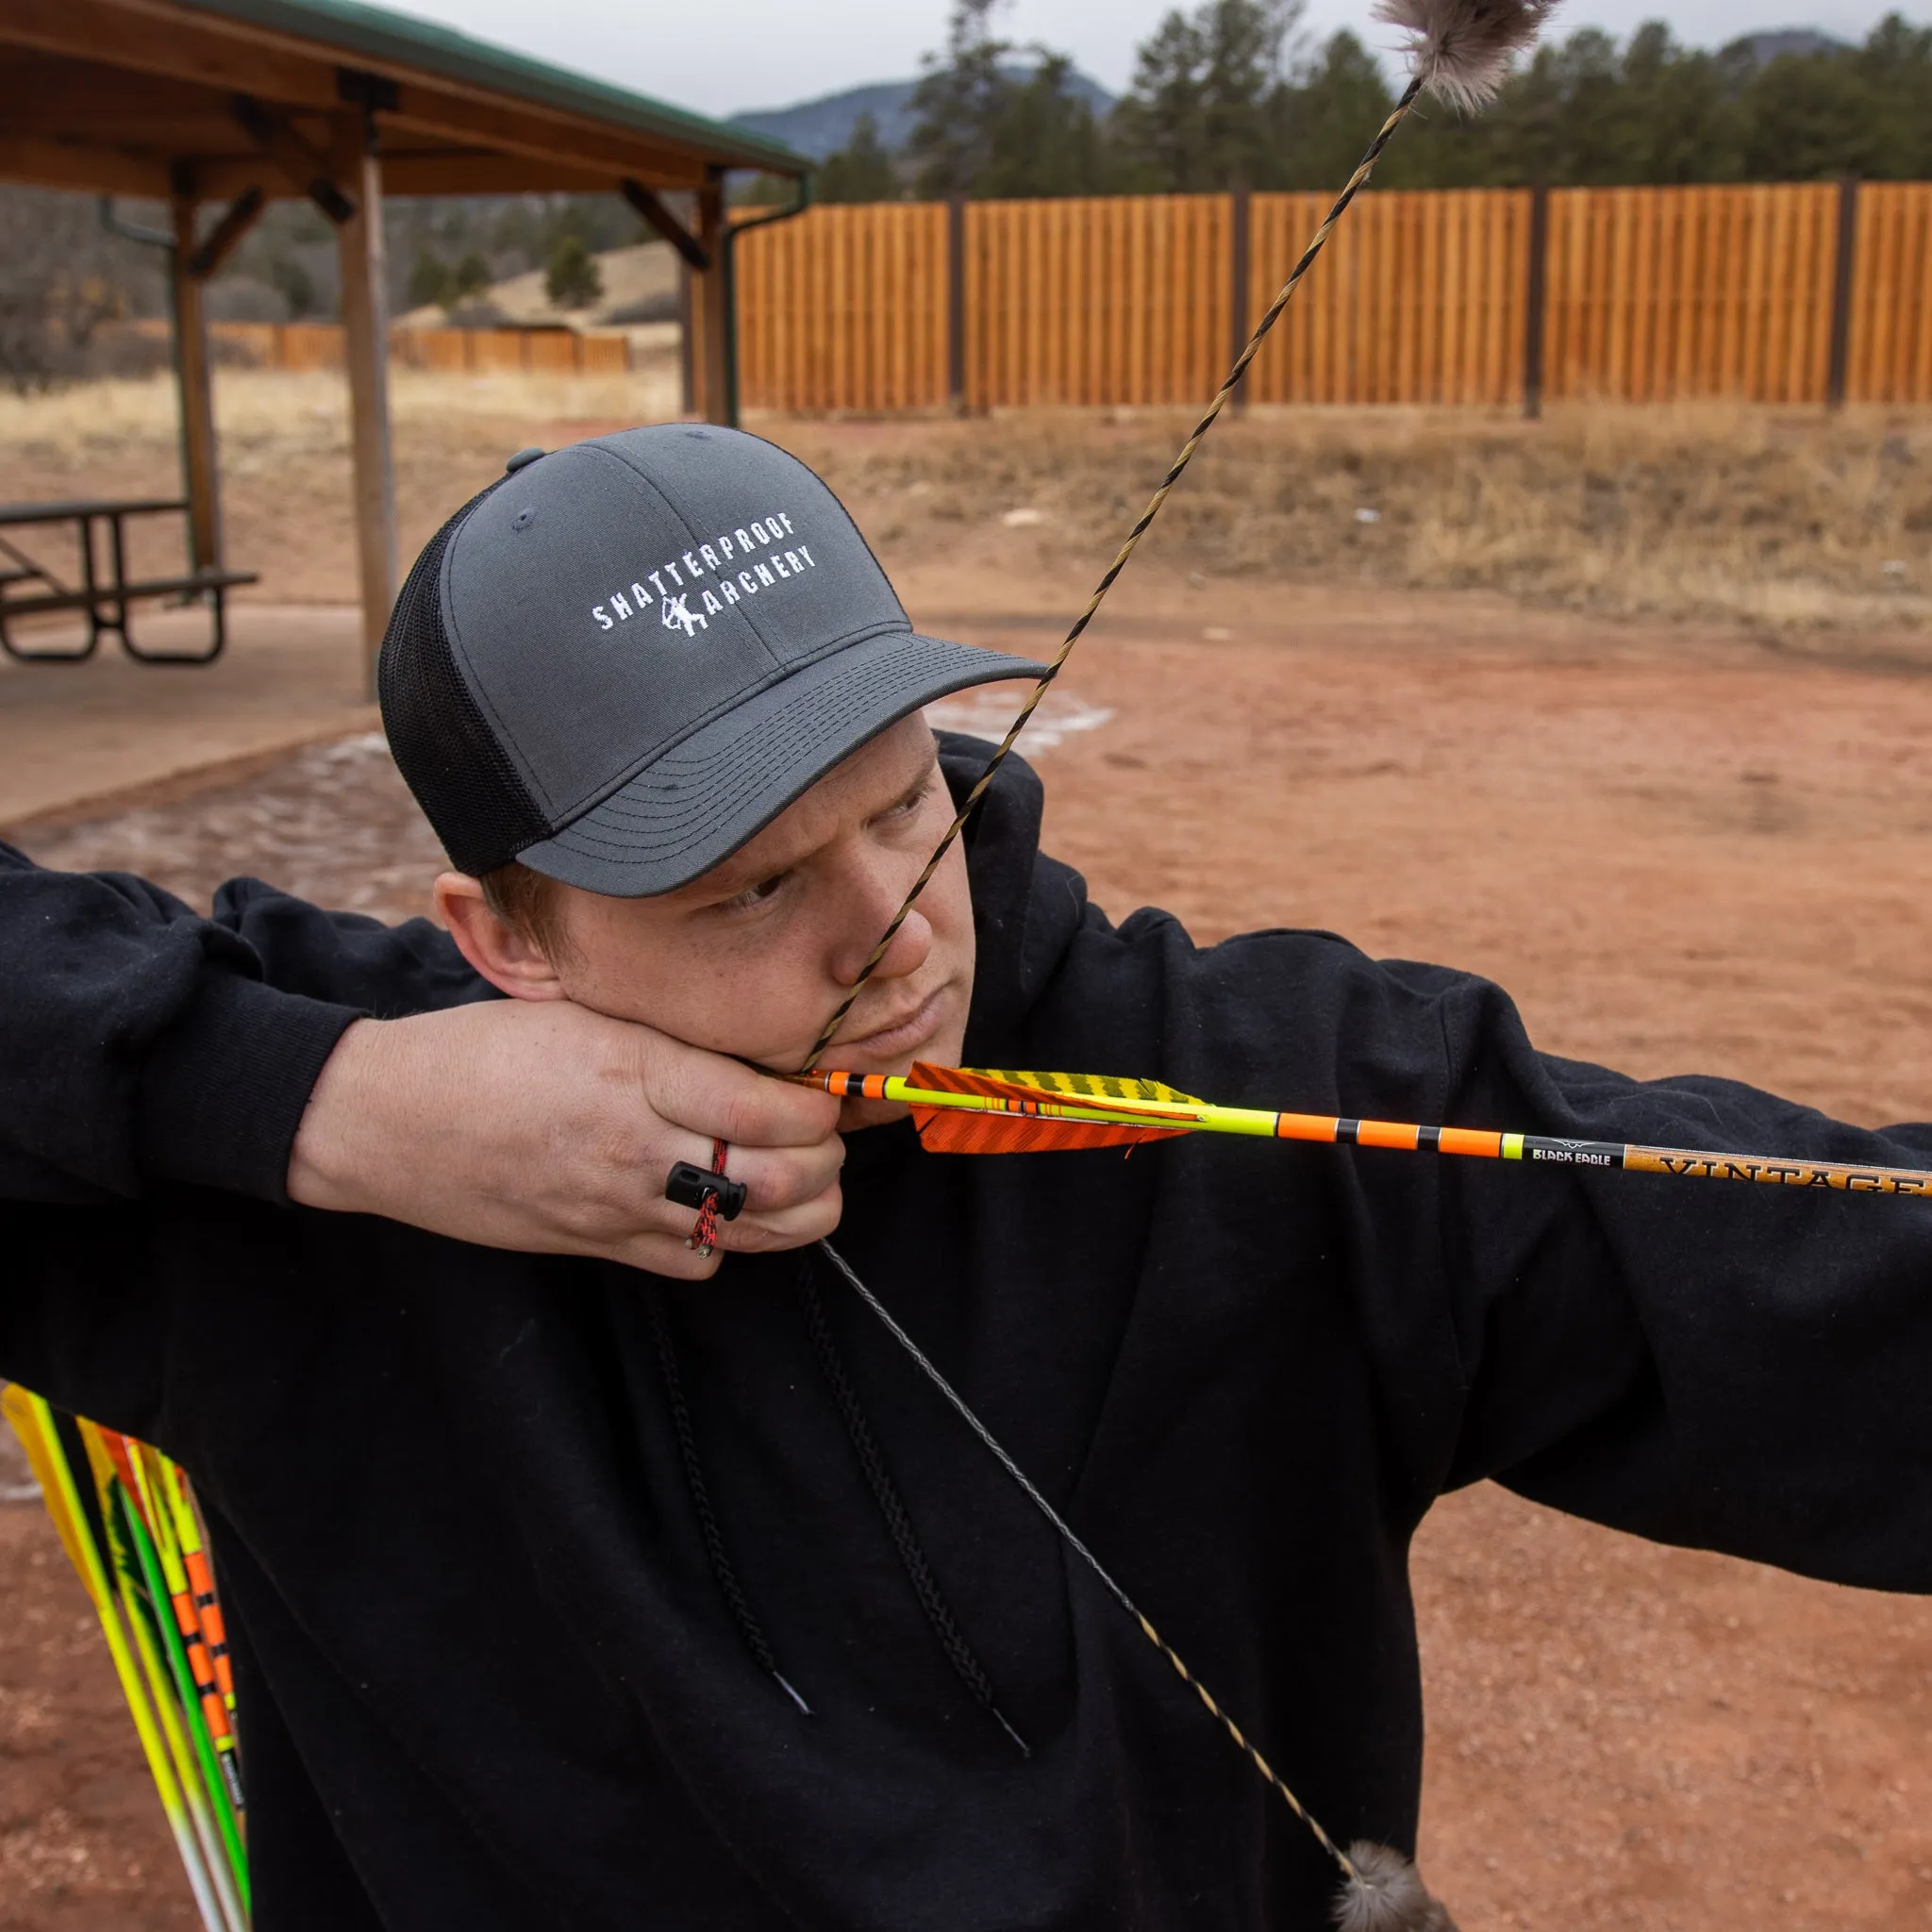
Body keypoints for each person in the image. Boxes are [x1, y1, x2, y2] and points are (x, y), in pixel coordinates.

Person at [5, 425, 1930, 1932]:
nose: (892, 931)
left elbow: (1800, 1280)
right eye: (746, 881)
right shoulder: (316, 1173)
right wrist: (323, 1103)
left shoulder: (1243, 1081)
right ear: (503, 934)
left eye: (903, 793)